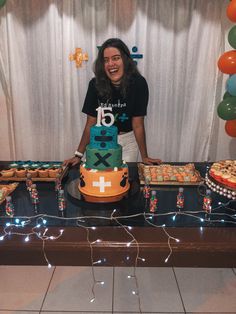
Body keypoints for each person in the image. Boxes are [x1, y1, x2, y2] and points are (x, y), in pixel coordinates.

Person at [64, 38, 161, 167]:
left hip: (128, 143)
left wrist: (144, 156)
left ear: (125, 60)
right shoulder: (94, 85)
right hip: (100, 142)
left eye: (116, 58)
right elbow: (90, 123)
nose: (111, 64)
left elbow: (137, 124)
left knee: (124, 180)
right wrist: (78, 155)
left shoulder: (139, 83)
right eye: (106, 60)